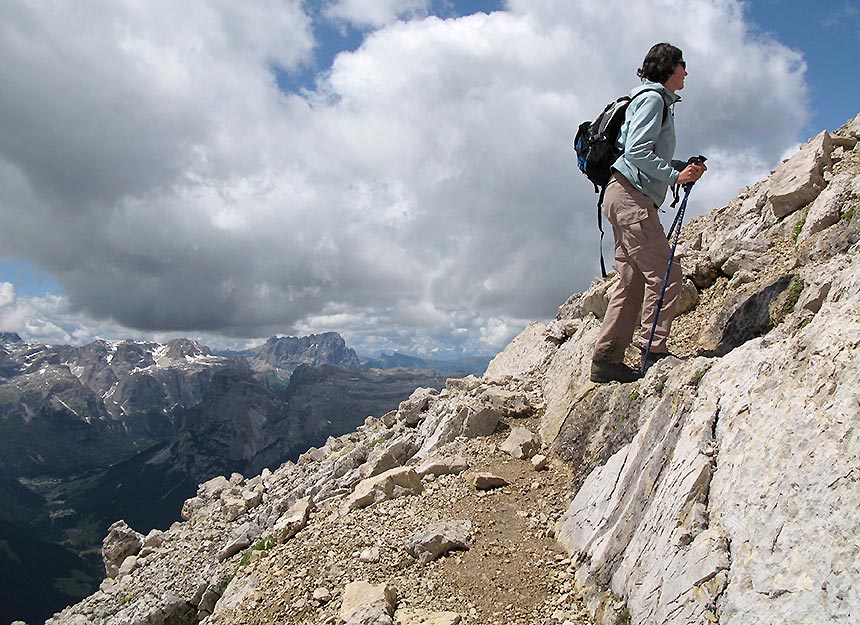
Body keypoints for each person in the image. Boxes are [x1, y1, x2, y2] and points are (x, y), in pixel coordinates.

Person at [590, 43, 707, 384]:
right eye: (683, 66)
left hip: (621, 196)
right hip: (631, 198)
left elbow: (637, 151)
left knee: (631, 281)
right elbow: (638, 151)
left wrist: (678, 167)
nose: (686, 72)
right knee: (667, 273)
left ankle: (606, 361)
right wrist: (674, 176)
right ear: (670, 68)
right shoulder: (654, 99)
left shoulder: (649, 99)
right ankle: (653, 351)